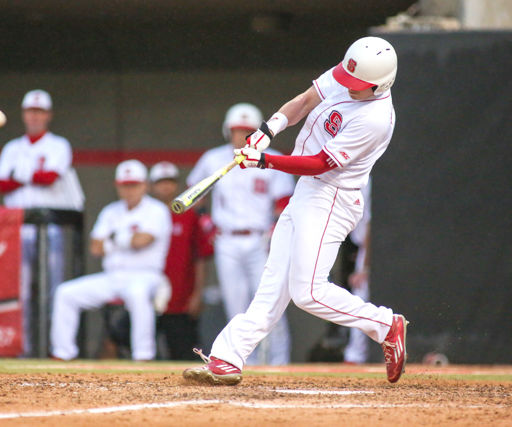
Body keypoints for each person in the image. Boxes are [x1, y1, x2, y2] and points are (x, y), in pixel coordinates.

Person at [183, 36, 408, 385]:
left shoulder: (375, 118)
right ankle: (228, 357)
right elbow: (305, 101)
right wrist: (267, 130)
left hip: (333, 197)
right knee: (272, 287)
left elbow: (320, 163)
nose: (347, 87)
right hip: (308, 193)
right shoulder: (352, 71)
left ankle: (384, 324)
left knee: (309, 293)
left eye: (357, 86)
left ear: (381, 84)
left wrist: (265, 160)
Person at [187, 103, 296, 365]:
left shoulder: (270, 157)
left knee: (269, 306)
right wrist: (205, 221)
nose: (242, 136)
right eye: (237, 130)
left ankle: (279, 363)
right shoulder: (213, 159)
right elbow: (195, 192)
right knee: (235, 308)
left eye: (248, 131)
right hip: (226, 239)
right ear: (228, 131)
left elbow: (285, 201)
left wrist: (275, 229)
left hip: (261, 240)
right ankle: (247, 362)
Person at [0, 89, 85, 356]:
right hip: (18, 228)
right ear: (24, 114)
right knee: (20, 292)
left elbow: (51, 178)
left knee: (52, 291)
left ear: (48, 115)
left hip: (51, 228)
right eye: (30, 111)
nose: (34, 116)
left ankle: (55, 349)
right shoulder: (13, 147)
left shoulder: (59, 145)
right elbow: (1, 183)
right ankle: (22, 350)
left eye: (39, 111)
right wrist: (33, 174)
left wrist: (21, 174)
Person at [51, 160, 171, 361]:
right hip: (113, 276)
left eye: (134, 185)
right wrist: (126, 239)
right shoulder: (111, 211)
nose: (129, 190)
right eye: (125, 185)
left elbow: (142, 240)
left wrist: (114, 238)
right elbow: (95, 248)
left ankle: (143, 356)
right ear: (117, 186)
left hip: (146, 275)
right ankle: (63, 353)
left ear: (144, 185)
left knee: (137, 294)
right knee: (66, 293)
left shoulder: (157, 210)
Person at [149, 161, 214, 360]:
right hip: (147, 295)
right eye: (160, 181)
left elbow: (200, 258)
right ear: (152, 186)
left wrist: (197, 293)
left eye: (170, 181)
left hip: (181, 298)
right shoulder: (144, 214)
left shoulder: (190, 217)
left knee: (181, 354)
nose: (165, 186)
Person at [343, 177, 372, 364]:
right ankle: (355, 354)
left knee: (361, 296)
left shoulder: (368, 180)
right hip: (362, 248)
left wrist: (366, 266)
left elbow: (372, 225)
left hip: (373, 250)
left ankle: (356, 355)